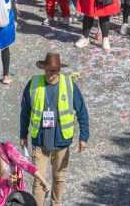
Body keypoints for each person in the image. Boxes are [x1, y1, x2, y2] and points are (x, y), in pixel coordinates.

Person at [19, 52, 89, 206]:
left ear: (59, 70)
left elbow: (82, 111)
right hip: (40, 142)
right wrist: (23, 134)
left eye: (53, 70)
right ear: (43, 69)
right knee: (38, 180)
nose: (50, 73)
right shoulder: (33, 84)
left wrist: (83, 137)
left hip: (61, 142)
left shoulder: (69, 85)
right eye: (47, 70)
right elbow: (25, 111)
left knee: (58, 178)